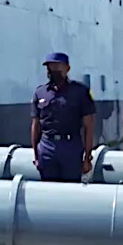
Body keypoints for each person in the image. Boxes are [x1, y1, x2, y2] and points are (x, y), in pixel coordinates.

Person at [30, 52, 96, 182]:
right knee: (48, 190)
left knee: (71, 190)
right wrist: (36, 155)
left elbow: (89, 126)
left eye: (57, 66)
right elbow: (35, 125)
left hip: (71, 146)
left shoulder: (80, 92)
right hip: (47, 146)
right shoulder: (40, 92)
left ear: (67, 68)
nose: (53, 70)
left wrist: (87, 157)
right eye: (49, 67)